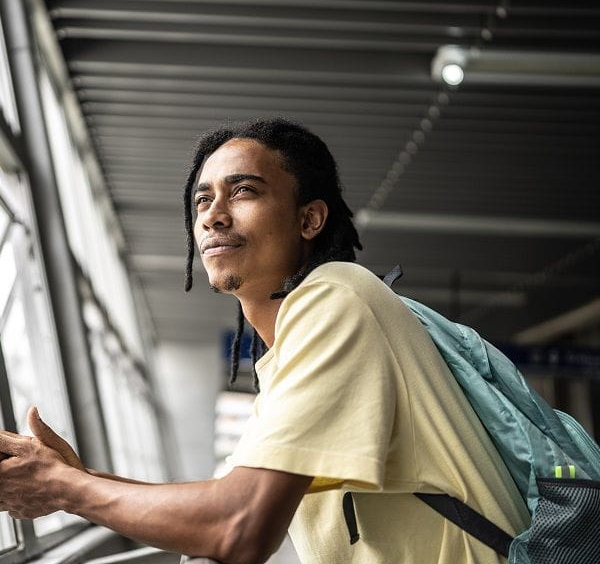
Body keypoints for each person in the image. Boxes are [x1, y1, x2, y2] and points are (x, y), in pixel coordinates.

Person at [0, 118, 530, 563]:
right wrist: (77, 479)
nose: (212, 214)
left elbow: (240, 525)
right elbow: (219, 500)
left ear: (310, 219)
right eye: (202, 199)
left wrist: (63, 487)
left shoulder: (337, 300)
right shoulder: (290, 354)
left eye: (244, 190)